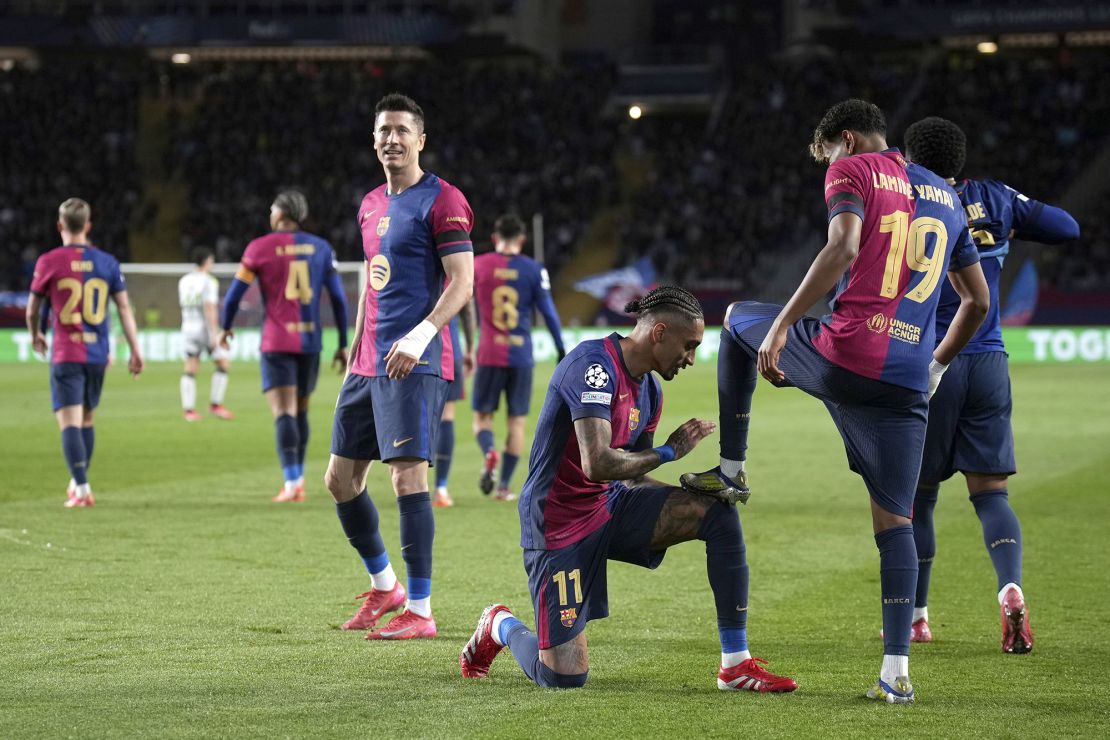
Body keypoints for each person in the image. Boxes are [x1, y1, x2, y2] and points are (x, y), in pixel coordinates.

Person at [683, 100, 990, 703]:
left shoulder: (854, 169)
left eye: (824, 152)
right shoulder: (945, 196)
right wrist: (933, 366)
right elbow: (976, 302)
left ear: (845, 139)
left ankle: (732, 467)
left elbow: (844, 245)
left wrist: (783, 326)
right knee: (895, 523)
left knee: (739, 320)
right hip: (905, 383)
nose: (824, 162)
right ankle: (896, 673)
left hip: (843, 354)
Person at [459, 286, 796, 694]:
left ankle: (735, 664)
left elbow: (631, 476)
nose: (690, 358)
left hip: (609, 507)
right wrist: (671, 451)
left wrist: (688, 491)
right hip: (558, 523)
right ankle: (500, 624)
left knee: (717, 514)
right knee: (563, 677)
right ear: (659, 333)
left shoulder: (650, 390)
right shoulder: (593, 366)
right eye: (688, 346)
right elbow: (598, 463)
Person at [902, 116, 1080, 654]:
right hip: (987, 363)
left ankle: (918, 619)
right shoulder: (993, 198)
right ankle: (1010, 588)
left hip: (928, 360)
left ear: (910, 159)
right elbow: (1068, 227)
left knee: (920, 498)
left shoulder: (905, 201)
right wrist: (1004, 223)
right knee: (992, 495)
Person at [324, 93, 474, 640]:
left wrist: (420, 335)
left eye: (402, 131)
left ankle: (422, 609)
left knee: (406, 477)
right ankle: (384, 584)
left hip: (417, 359)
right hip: (368, 362)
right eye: (383, 130)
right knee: (340, 480)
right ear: (374, 139)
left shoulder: (444, 199)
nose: (392, 138)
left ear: (420, 140)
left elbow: (463, 282)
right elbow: (371, 281)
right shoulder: (368, 204)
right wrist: (354, 358)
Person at [220, 191, 350, 503]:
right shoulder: (321, 248)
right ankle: (298, 478)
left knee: (283, 412)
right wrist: (343, 343)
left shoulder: (259, 248)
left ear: (279, 215)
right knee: (301, 410)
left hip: (276, 341)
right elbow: (339, 299)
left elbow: (234, 296)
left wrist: (225, 326)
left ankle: (292, 482)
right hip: (311, 342)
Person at [26, 198, 144, 508]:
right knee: (87, 420)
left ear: (60, 225)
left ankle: (81, 489)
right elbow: (124, 310)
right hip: (97, 355)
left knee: (69, 424)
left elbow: (32, 308)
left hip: (67, 353)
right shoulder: (107, 262)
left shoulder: (49, 261)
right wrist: (135, 349)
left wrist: (35, 333)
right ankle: (77, 482)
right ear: (88, 226)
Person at [472, 214, 566, 501]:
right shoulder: (534, 270)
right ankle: (503, 487)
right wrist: (560, 348)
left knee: (482, 417)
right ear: (522, 240)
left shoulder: (479, 265)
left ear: (494, 237)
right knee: (517, 423)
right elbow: (548, 313)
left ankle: (489, 452)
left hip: (489, 352)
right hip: (521, 356)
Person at [178, 247, 233, 422]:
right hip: (204, 328)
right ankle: (216, 406)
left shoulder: (184, 280)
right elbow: (209, 307)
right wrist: (214, 333)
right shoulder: (209, 281)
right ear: (207, 261)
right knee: (223, 364)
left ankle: (189, 411)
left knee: (190, 367)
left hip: (188, 326)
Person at [433, 305, 476, 508]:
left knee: (415, 418)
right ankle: (441, 488)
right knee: (446, 417)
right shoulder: (455, 274)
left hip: (415, 352)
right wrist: (470, 348)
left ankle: (413, 486)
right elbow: (467, 311)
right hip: (450, 354)